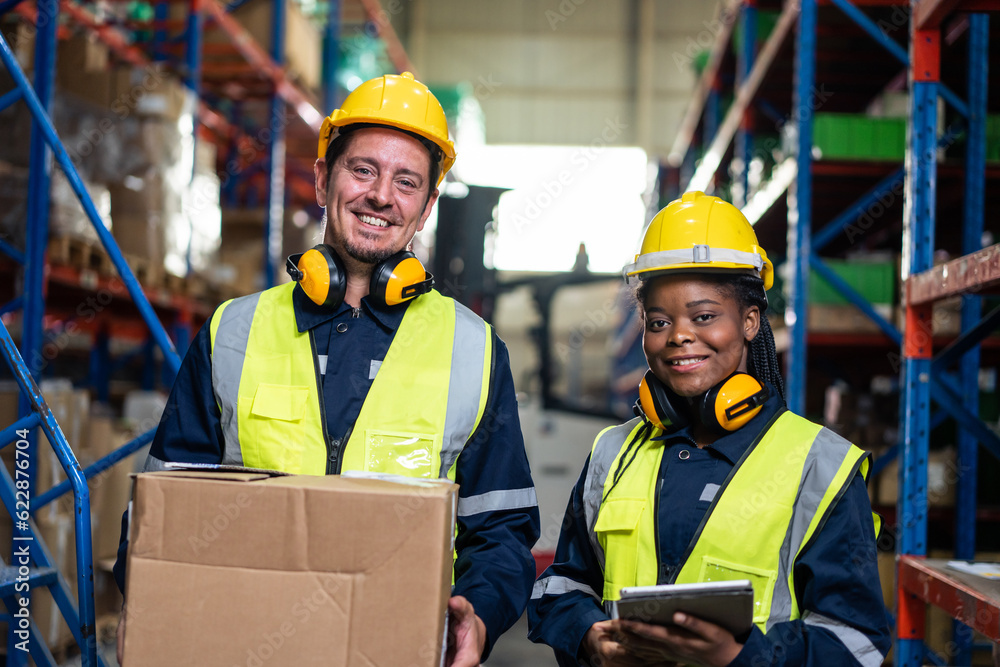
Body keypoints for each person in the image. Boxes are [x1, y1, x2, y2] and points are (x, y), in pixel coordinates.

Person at [113, 72, 540, 667]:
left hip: (395, 649)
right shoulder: (232, 331)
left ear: (426, 207)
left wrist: (480, 612)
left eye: (407, 182)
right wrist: (163, 608)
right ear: (322, 179)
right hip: (240, 646)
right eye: (362, 170)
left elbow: (501, 531)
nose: (381, 196)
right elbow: (160, 511)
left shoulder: (473, 350)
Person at [527, 191, 890, 666]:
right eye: (659, 321)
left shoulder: (820, 466)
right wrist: (588, 636)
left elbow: (856, 643)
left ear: (750, 321)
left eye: (703, 316)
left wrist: (742, 657)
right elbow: (563, 586)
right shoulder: (612, 454)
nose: (678, 335)